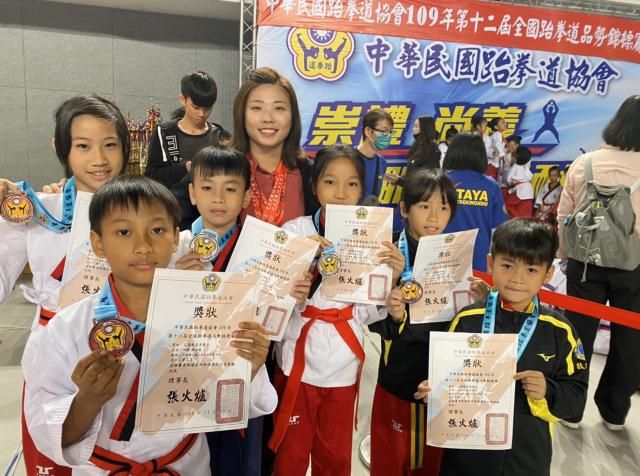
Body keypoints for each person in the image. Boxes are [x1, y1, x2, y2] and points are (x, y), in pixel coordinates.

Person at [21, 175, 277, 474]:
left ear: (175, 238)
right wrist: (87, 401)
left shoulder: (210, 318)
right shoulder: (65, 329)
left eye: (157, 230)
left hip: (186, 465)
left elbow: (228, 406)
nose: (143, 246)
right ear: (97, 243)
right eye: (124, 232)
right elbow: (48, 433)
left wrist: (249, 367)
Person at [0, 94, 130, 476]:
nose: (99, 159)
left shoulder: (139, 211)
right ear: (62, 148)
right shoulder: (38, 211)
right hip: (53, 356)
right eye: (83, 146)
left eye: (110, 145)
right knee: (52, 453)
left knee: (108, 456)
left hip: (117, 349)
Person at [169, 146, 311, 475]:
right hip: (185, 377)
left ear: (246, 197)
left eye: (230, 189)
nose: (218, 198)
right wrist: (175, 281)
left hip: (242, 375)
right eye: (207, 187)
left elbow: (276, 322)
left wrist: (296, 299)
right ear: (192, 194)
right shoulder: (175, 248)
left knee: (236, 459)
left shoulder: (265, 253)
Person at [268, 145, 405, 476]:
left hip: (344, 361)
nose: (341, 193)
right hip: (297, 357)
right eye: (330, 182)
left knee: (335, 455)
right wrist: (302, 265)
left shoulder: (372, 238)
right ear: (315, 186)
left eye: (351, 184)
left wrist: (391, 279)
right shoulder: (294, 232)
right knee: (290, 456)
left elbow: (368, 313)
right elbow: (271, 301)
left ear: (362, 189)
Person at [415, 218, 589, 476]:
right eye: (507, 266)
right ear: (490, 263)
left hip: (526, 459)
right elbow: (443, 379)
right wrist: (432, 389)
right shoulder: (467, 320)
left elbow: (576, 397)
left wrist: (548, 391)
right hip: (465, 457)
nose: (517, 278)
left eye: (531, 269)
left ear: (548, 274)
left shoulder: (560, 331)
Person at [557, 95, 640, 431]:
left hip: (584, 263)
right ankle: (614, 411)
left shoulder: (585, 163)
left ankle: (570, 409)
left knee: (576, 335)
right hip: (634, 266)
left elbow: (564, 215)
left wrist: (565, 256)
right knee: (630, 340)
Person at [368, 170, 457, 476]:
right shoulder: (388, 251)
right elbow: (370, 321)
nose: (434, 217)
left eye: (443, 208)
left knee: (431, 466)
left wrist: (478, 302)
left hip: (438, 384)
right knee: (389, 464)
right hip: (397, 377)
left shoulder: (456, 255)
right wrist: (392, 306)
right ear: (405, 209)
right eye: (424, 206)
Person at [144, 71, 230, 230]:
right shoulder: (165, 132)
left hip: (211, 221)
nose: (201, 114)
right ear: (182, 99)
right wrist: (185, 168)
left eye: (207, 109)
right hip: (173, 219)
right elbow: (151, 178)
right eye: (195, 107)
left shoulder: (220, 135)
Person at [232, 67, 317, 227]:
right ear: (241, 113)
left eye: (279, 108)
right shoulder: (219, 167)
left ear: (293, 116)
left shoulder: (312, 174)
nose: (268, 118)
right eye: (257, 108)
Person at [442, 133, 508, 273]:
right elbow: (499, 228)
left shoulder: (439, 181)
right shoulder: (491, 186)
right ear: (481, 156)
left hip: (441, 257)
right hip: (478, 260)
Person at [385, 116, 440, 187]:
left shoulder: (432, 149)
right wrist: (397, 179)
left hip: (420, 193)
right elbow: (412, 175)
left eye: (416, 126)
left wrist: (398, 180)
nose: (413, 129)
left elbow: (426, 180)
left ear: (424, 128)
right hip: (410, 192)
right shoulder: (418, 146)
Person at [356, 108, 395, 203]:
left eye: (390, 132)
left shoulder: (381, 162)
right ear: (368, 132)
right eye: (384, 131)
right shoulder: (348, 159)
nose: (388, 136)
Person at [505, 146, 534, 218]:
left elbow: (508, 180)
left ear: (518, 155)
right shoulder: (526, 166)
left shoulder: (515, 166)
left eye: (515, 153)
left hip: (519, 191)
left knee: (506, 206)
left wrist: (512, 183)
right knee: (526, 214)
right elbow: (530, 176)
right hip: (528, 191)